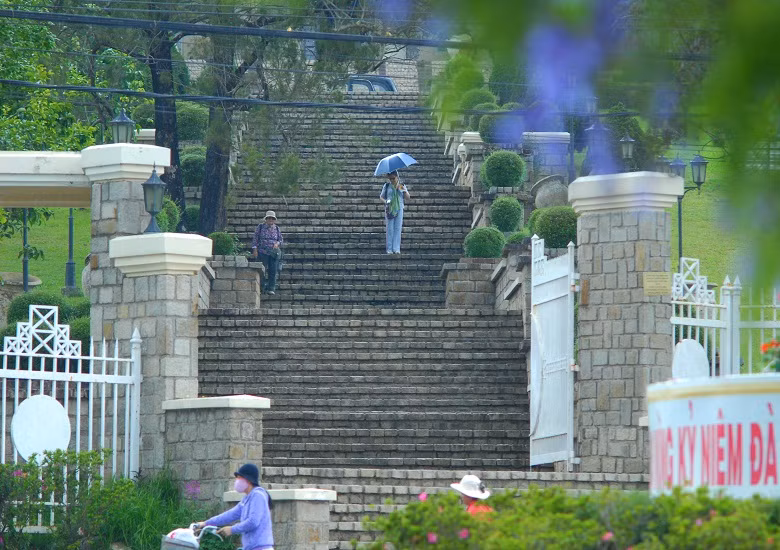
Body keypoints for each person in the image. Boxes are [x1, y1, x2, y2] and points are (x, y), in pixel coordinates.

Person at [195, 463, 274, 550]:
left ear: (249, 480)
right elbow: (230, 515)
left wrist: (232, 529)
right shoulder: (247, 498)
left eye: (240, 478)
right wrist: (206, 523)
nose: (237, 480)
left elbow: (253, 522)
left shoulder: (257, 495)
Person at [251, 210, 283, 295]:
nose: (270, 220)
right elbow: (255, 238)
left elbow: (280, 239)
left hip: (273, 253)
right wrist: (255, 249)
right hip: (262, 252)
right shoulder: (260, 227)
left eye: (272, 218)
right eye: (269, 218)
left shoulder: (277, 228)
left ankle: (271, 288)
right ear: (266, 219)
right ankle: (261, 288)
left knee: (273, 271)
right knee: (262, 270)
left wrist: (277, 243)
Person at [379, 170, 410, 254]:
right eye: (390, 178)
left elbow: (407, 197)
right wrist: (386, 202)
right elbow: (381, 197)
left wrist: (403, 190)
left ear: (397, 177)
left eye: (393, 178)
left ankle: (396, 248)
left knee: (397, 228)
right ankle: (389, 248)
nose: (392, 180)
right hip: (390, 208)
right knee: (390, 228)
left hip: (399, 208)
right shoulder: (387, 186)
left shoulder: (401, 186)